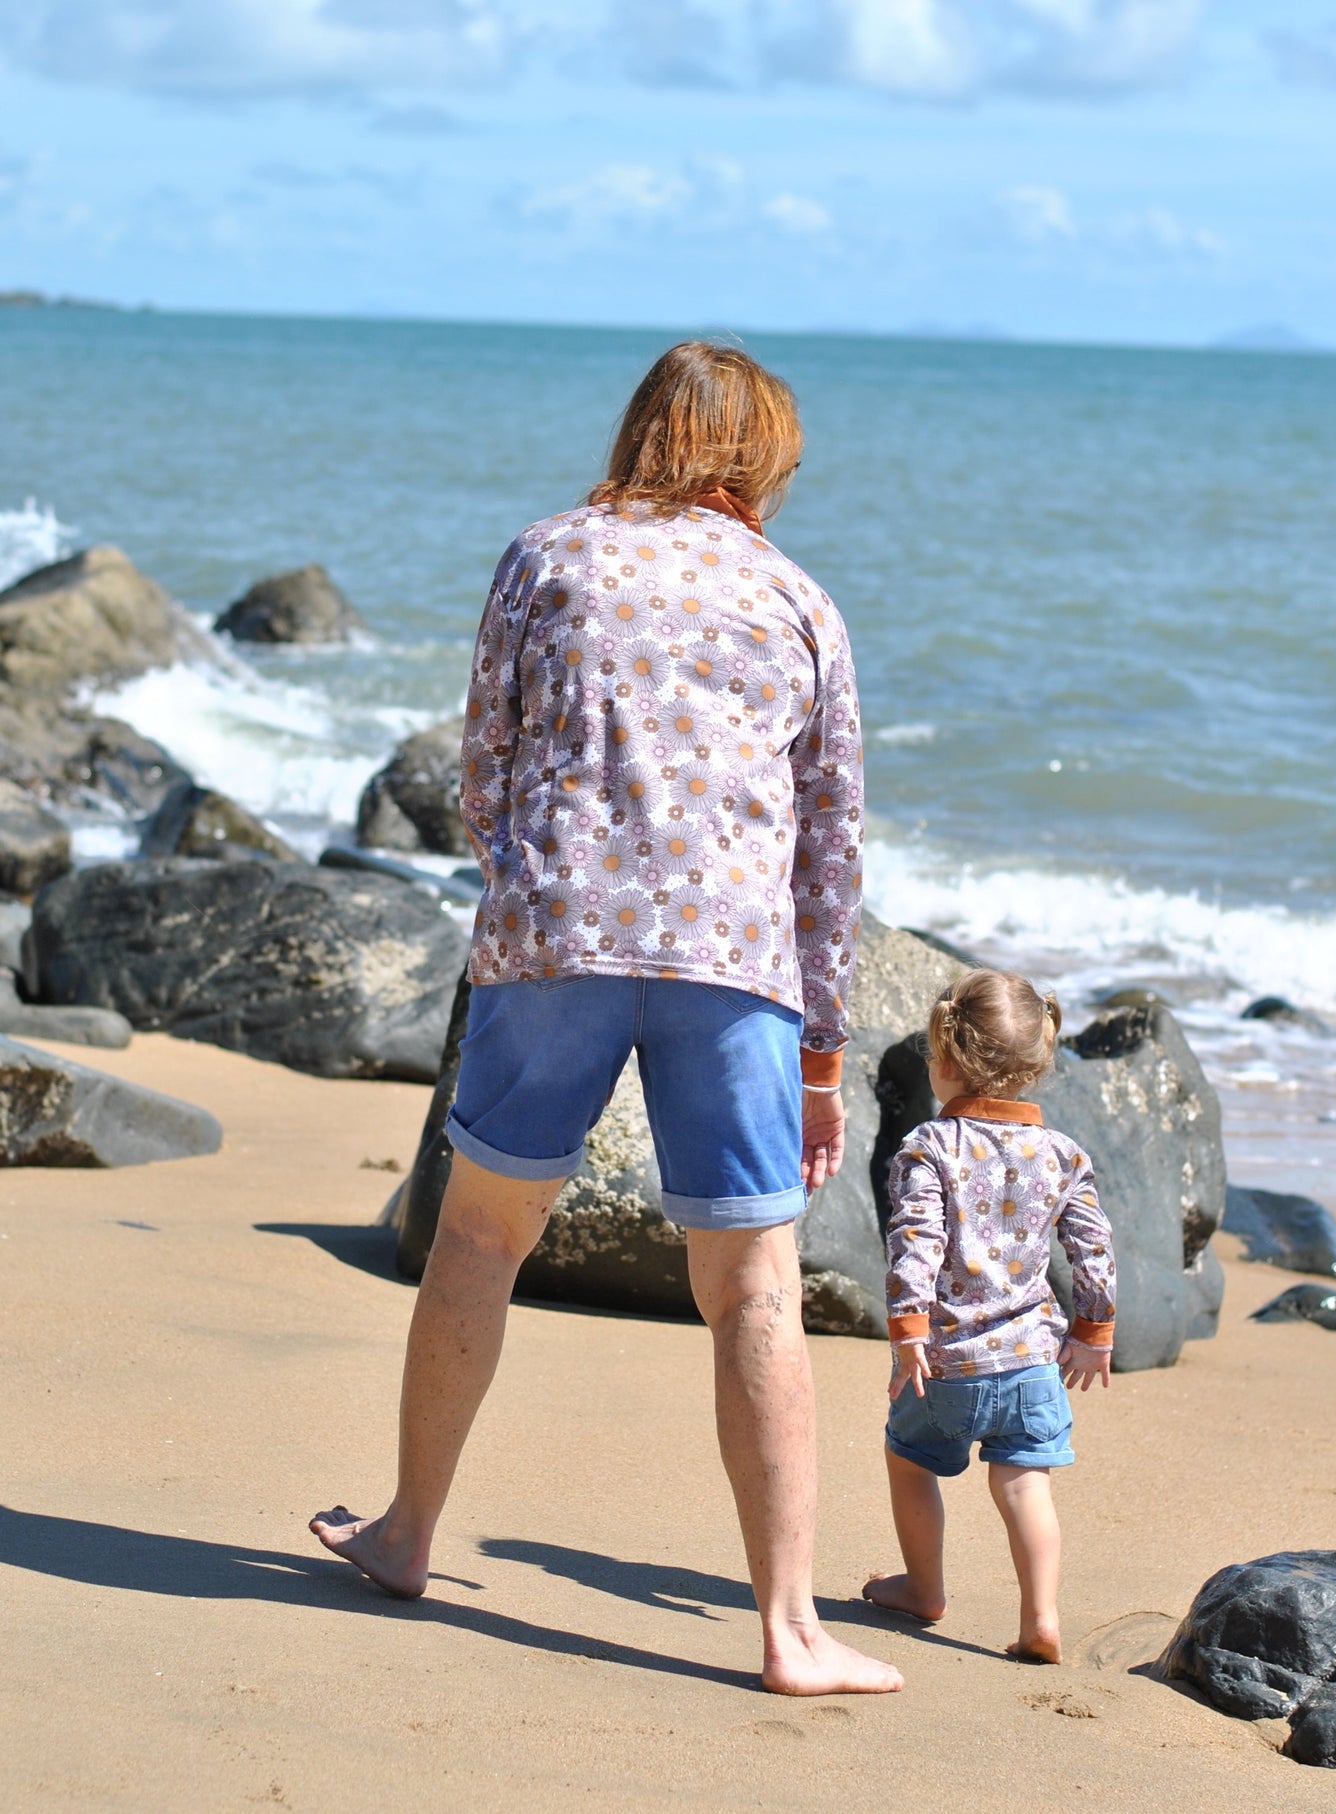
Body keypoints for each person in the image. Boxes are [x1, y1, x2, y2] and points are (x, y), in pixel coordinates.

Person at [311, 340, 902, 1697]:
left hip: (556, 935)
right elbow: (829, 844)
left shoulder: (548, 554)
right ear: (756, 457)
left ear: (643, 430)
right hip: (731, 959)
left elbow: (486, 755)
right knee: (751, 1286)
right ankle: (789, 1629)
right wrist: (824, 1048)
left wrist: (530, 880)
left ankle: (407, 1533)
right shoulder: (796, 597)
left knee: (476, 1234)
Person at [862, 968, 1115, 1663]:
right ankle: (1041, 1617)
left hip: (943, 1364)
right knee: (1023, 1481)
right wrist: (1092, 1332)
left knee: (909, 1461)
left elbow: (914, 1241)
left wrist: (908, 1327)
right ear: (1037, 1062)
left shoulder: (928, 1147)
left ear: (941, 1059)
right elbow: (1092, 1246)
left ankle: (923, 1588)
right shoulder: (1062, 1154)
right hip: (1032, 1361)